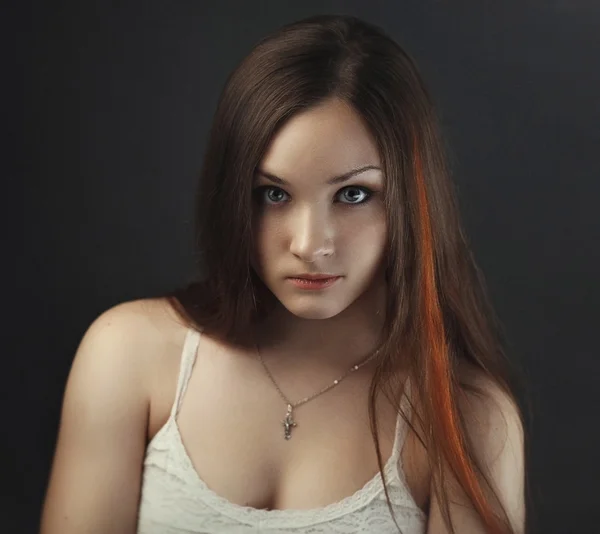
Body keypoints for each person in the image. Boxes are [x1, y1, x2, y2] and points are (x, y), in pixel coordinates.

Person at [39, 14, 529, 534]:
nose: (309, 244)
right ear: (233, 196)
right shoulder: (129, 356)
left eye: (353, 195)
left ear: (413, 199)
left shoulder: (464, 417)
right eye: (274, 194)